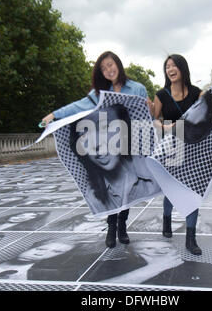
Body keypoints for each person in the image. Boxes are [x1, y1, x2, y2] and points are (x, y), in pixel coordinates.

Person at [41, 51, 150, 249]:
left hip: (129, 145)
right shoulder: (97, 95)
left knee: (127, 187)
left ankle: (122, 226)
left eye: (111, 65)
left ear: (118, 63)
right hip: (107, 145)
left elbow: (146, 115)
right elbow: (77, 107)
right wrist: (53, 115)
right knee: (110, 184)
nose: (109, 70)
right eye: (104, 68)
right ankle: (111, 227)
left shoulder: (137, 88)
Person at [70, 104, 160, 246]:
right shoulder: (92, 196)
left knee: (127, 195)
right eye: (85, 134)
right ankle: (111, 228)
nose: (96, 145)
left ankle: (122, 227)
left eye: (106, 128)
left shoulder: (149, 176)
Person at [150, 54, 205, 255]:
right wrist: (167, 126)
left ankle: (191, 238)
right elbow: (153, 119)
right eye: (167, 67)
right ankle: (167, 219)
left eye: (173, 66)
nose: (170, 69)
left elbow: (207, 114)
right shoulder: (161, 95)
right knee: (172, 190)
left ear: (182, 68)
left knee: (193, 192)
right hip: (171, 149)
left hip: (194, 149)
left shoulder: (197, 93)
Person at [82, 239, 212, 288]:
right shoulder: (109, 266)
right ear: (133, 254)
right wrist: (154, 268)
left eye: (166, 248)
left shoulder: (205, 268)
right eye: (148, 248)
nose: (160, 253)